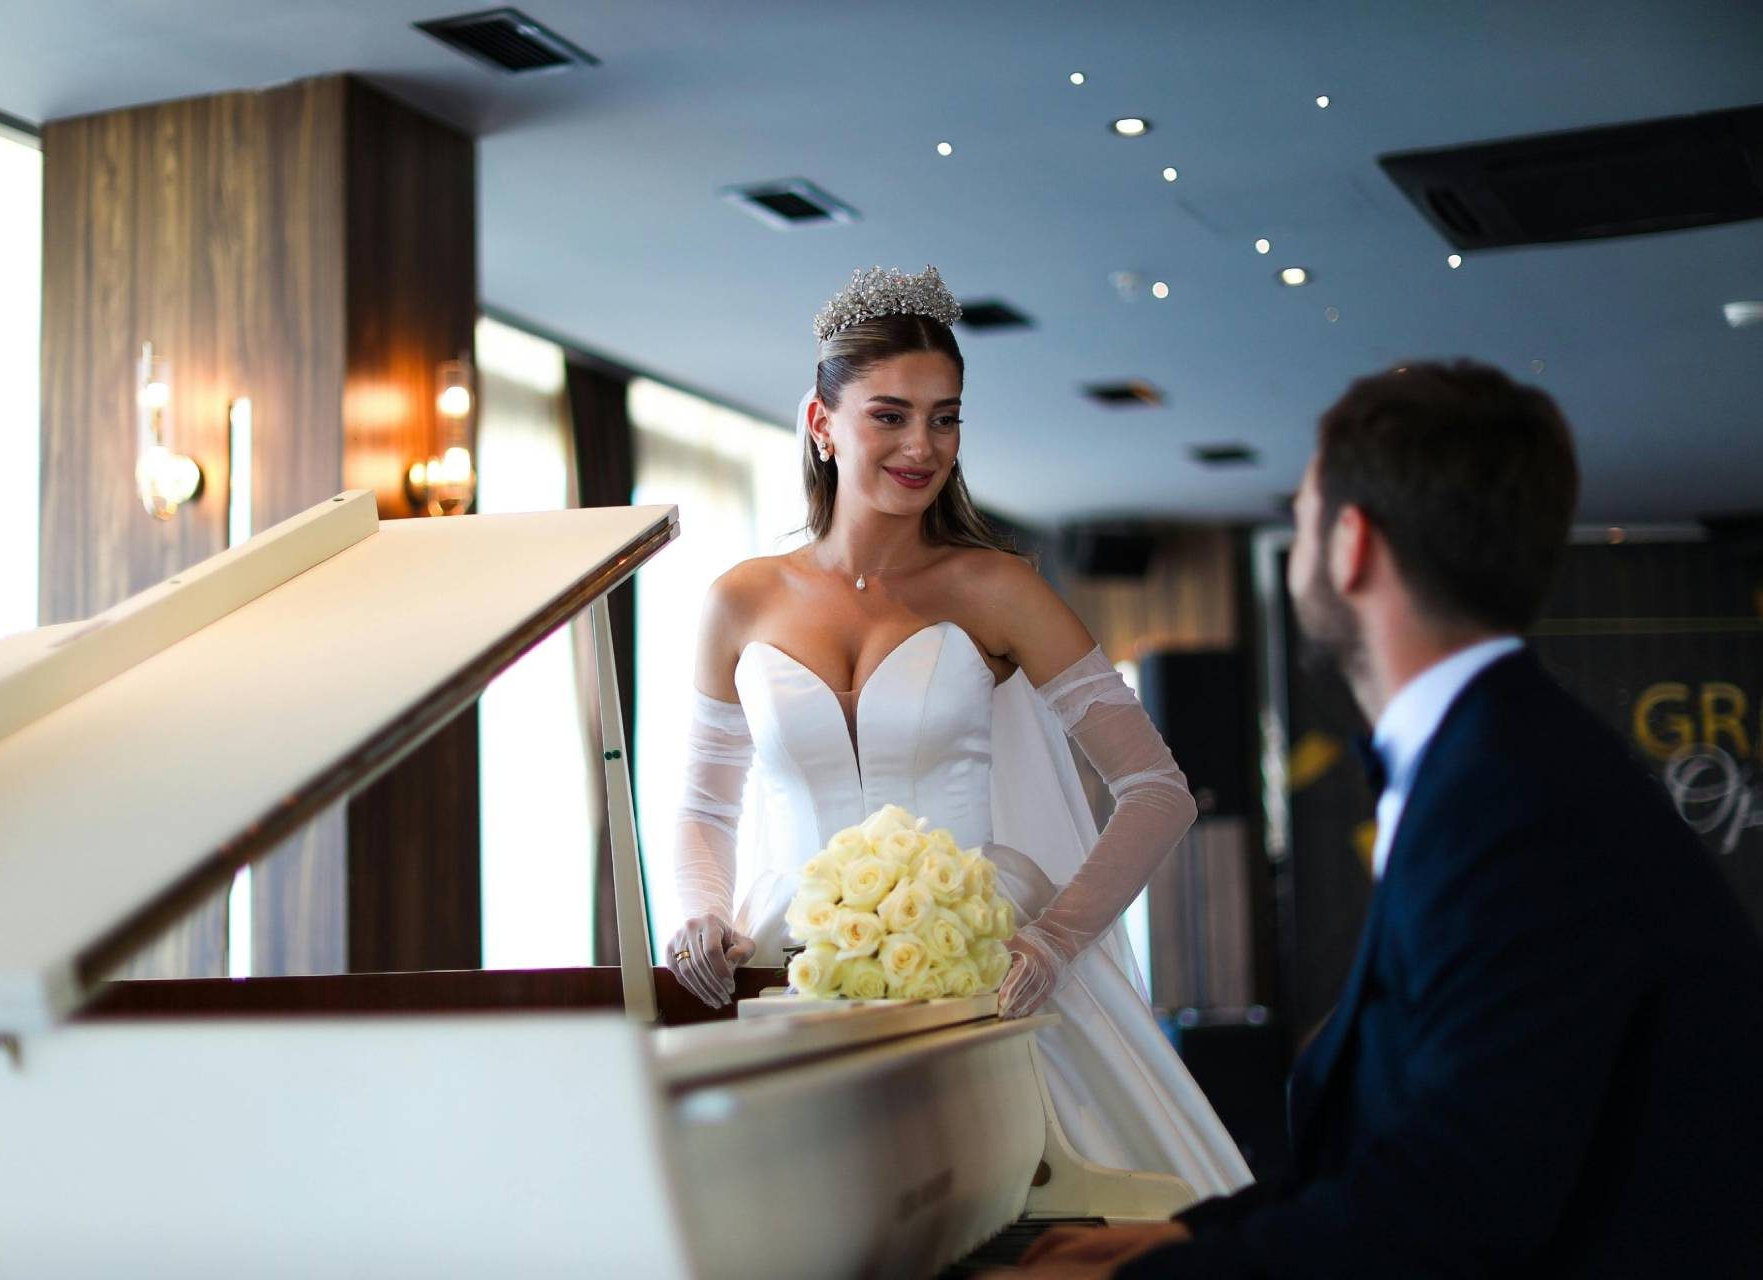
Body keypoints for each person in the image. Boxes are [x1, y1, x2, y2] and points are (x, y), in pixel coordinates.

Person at [1019, 361, 1763, 1277]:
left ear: (1351, 547)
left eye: (1302, 516)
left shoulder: (1511, 798)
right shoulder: (1499, 755)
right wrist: (1195, 1234)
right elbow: (1414, 1144)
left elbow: (1456, 1208)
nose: (1296, 545)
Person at [662, 265, 1251, 1194]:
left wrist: (1053, 940)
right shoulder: (739, 599)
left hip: (982, 971)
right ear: (821, 424)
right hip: (791, 970)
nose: (923, 445)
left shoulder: (998, 589)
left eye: (946, 417)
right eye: (889, 415)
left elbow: (1156, 791)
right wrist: (699, 907)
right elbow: (702, 804)